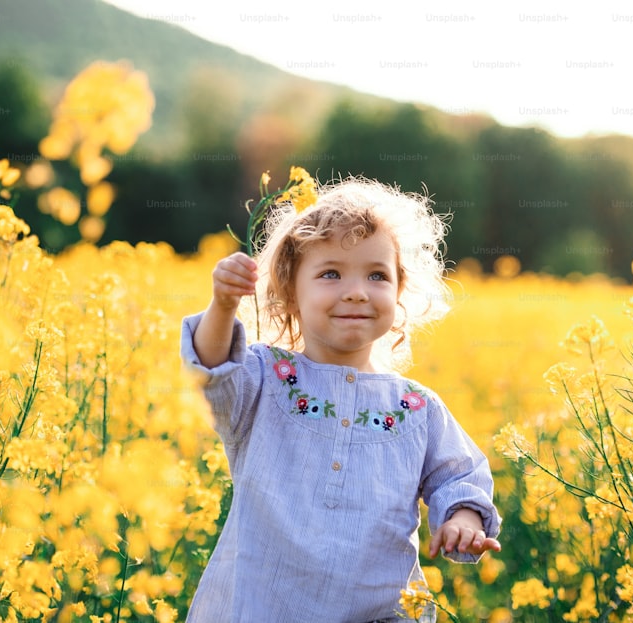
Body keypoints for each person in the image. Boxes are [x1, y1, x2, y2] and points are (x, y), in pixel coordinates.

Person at [180, 176, 501, 622]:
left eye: (377, 275)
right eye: (331, 273)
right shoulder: (264, 379)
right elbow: (211, 369)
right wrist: (222, 305)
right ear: (291, 292)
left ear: (399, 294)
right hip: (261, 608)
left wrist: (462, 519)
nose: (356, 290)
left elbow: (459, 475)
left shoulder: (416, 407)